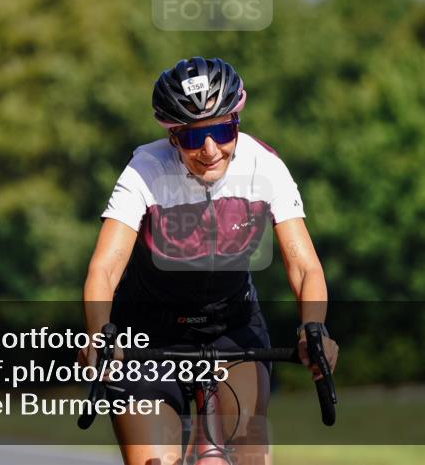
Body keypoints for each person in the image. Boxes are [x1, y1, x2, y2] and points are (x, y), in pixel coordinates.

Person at [80, 57, 338, 465]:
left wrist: (314, 328)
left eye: (222, 130)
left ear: (237, 120)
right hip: (147, 333)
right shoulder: (144, 170)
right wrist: (98, 334)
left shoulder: (264, 166)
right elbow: (104, 269)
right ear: (171, 136)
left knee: (249, 453)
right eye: (192, 138)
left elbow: (305, 266)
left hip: (231, 327)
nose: (210, 150)